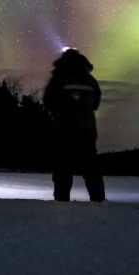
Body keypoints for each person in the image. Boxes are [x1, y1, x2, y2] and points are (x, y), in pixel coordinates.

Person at [42, 48, 105, 202]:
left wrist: (59, 112)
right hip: (87, 131)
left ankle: (62, 200)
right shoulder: (90, 80)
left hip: (64, 130)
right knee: (91, 167)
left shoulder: (59, 78)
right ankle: (98, 200)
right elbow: (96, 103)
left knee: (63, 167)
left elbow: (48, 100)